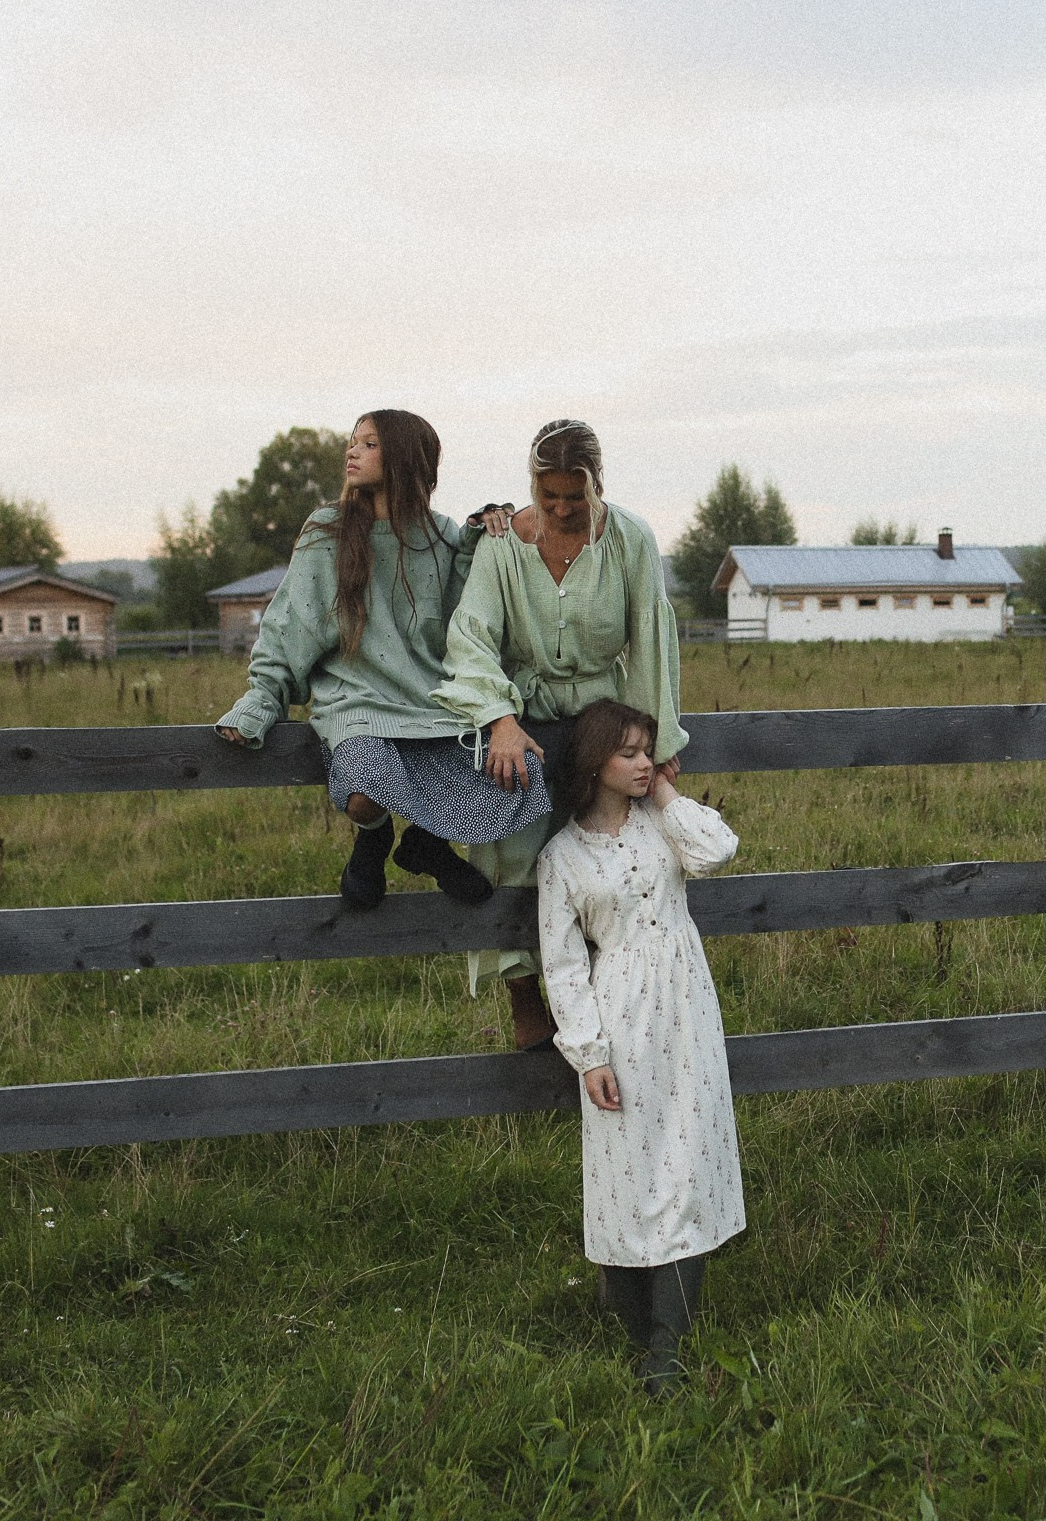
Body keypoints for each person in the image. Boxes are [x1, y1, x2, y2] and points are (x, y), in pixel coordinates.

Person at [215, 410, 549, 909]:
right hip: (356, 702)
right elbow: (290, 623)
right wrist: (263, 699)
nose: (352, 451)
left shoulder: (443, 534)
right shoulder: (327, 529)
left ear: (405, 458)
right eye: (354, 442)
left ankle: (426, 844)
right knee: (367, 784)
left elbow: (466, 624)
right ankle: (373, 839)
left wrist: (481, 537)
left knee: (518, 774)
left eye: (369, 444)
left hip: (432, 703)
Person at [434, 419, 688, 1049]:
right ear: (532, 486)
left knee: (605, 852)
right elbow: (472, 636)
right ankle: (525, 995)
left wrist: (654, 747)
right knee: (512, 849)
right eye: (549, 497)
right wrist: (499, 718)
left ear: (597, 482)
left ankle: (608, 999)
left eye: (576, 495)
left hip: (603, 715)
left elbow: (652, 639)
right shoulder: (502, 543)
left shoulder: (630, 539)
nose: (563, 509)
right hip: (524, 715)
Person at [535, 699, 742, 1394]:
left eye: (647, 750)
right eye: (628, 753)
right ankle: (631, 1323)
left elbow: (718, 850)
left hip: (687, 1009)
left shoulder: (663, 825)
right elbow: (563, 965)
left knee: (687, 1161)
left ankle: (666, 1348)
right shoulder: (562, 858)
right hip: (620, 1015)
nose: (644, 762)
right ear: (595, 762)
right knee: (625, 1169)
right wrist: (589, 1054)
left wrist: (666, 796)